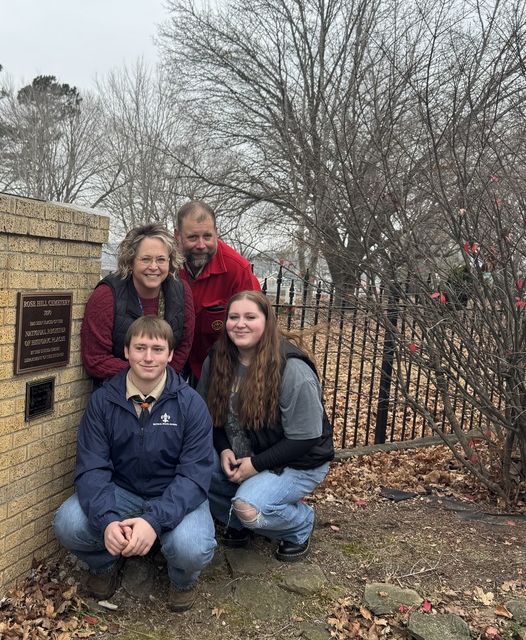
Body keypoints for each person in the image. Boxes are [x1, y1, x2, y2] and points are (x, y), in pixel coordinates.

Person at [54, 316, 216, 611]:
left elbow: (194, 477)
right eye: (140, 348)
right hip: (122, 491)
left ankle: (181, 580)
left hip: (173, 493)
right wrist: (106, 521)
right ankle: (105, 564)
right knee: (68, 523)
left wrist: (154, 521)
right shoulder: (103, 401)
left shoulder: (191, 405)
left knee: (192, 547)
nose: (148, 357)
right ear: (126, 352)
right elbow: (92, 467)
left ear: (170, 354)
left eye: (157, 349)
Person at [197, 291, 334, 562]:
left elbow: (305, 438)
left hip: (298, 460)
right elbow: (207, 417)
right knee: (194, 468)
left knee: (249, 507)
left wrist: (256, 464)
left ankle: (300, 525)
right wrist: (223, 449)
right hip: (243, 453)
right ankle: (237, 523)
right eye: (233, 317)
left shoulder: (291, 368)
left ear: (267, 321)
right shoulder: (217, 359)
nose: (240, 323)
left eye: (250, 317)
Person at [82, 223, 194, 386]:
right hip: (117, 390)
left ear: (170, 262)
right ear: (130, 261)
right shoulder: (107, 296)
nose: (154, 267)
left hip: (165, 388)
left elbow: (183, 346)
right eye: (146, 259)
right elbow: (95, 359)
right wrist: (146, 377)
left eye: (161, 259)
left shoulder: (181, 291)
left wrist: (161, 383)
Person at [174, 202, 261, 382]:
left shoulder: (237, 270)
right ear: (178, 236)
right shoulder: (164, 265)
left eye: (207, 236)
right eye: (192, 237)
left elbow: (258, 326)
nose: (201, 245)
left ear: (217, 232)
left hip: (220, 364)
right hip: (172, 360)